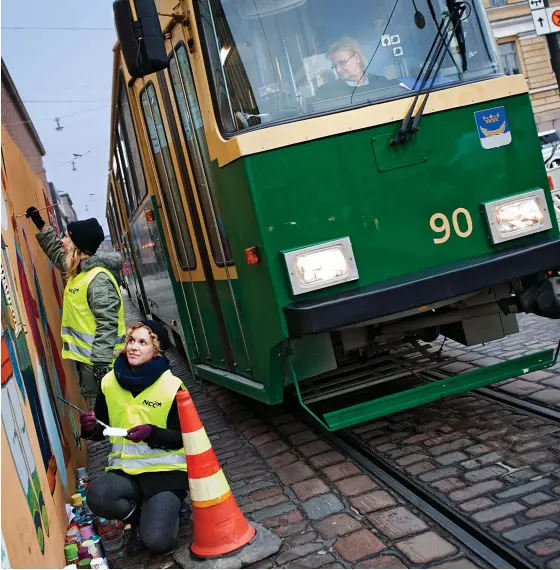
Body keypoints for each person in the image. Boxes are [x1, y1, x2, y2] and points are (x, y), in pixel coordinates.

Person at [81, 320, 188, 555]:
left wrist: (152, 433)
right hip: (126, 473)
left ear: (155, 349)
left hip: (165, 475)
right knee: (97, 496)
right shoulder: (109, 382)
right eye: (131, 340)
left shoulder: (172, 385)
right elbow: (102, 428)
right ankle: (138, 520)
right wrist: (90, 427)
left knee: (158, 542)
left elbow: (185, 438)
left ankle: (172, 509)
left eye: (143, 342)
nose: (134, 347)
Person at [26, 206, 126, 397]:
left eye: (66, 237)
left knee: (109, 415)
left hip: (103, 364)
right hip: (90, 362)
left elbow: (107, 323)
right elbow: (56, 252)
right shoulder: (80, 271)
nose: (62, 240)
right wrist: (40, 225)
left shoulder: (98, 279)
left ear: (76, 246)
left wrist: (101, 364)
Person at [315, 36, 400, 100]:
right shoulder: (326, 93)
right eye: (334, 66)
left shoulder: (384, 84)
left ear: (357, 58)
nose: (338, 70)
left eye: (343, 62)